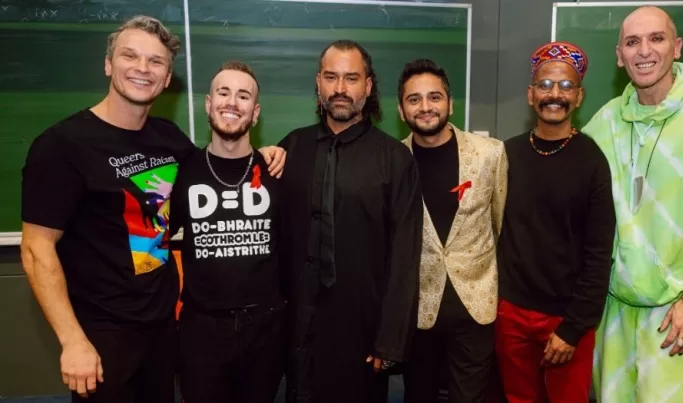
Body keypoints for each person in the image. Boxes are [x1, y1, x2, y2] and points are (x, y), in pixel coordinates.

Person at [19, 16, 284, 403]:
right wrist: (72, 339)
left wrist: (265, 155)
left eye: (155, 62)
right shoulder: (62, 146)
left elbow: (220, 163)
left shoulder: (169, 140)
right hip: (102, 334)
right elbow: (35, 248)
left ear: (166, 78)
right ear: (108, 64)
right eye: (130, 56)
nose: (142, 69)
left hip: (162, 330)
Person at [582, 6, 683, 402]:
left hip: (674, 309)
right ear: (619, 56)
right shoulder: (605, 121)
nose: (644, 51)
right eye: (632, 42)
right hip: (612, 308)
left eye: (656, 39)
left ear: (676, 47)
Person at [278, 39, 423, 403]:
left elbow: (406, 255)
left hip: (362, 334)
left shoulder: (395, 159)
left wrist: (391, 339)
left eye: (351, 78)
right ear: (318, 83)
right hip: (296, 327)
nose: (340, 89)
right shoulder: (291, 148)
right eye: (331, 77)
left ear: (368, 86)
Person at [494, 41, 616, 403]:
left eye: (565, 86)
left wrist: (574, 327)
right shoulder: (506, 154)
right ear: (531, 95)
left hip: (566, 318)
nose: (555, 95)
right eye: (545, 85)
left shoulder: (593, 161)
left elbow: (599, 254)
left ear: (579, 97)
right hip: (510, 313)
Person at [170, 60, 285, 403]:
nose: (232, 102)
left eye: (243, 96)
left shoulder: (277, 171)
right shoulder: (182, 171)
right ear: (208, 103)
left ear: (256, 111)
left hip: (266, 330)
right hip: (201, 331)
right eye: (223, 93)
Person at [397, 59, 507, 403]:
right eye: (414, 99)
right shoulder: (392, 160)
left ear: (450, 103)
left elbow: (500, 223)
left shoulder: (490, 153)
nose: (426, 107)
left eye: (434, 97)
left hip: (475, 307)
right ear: (401, 111)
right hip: (417, 313)